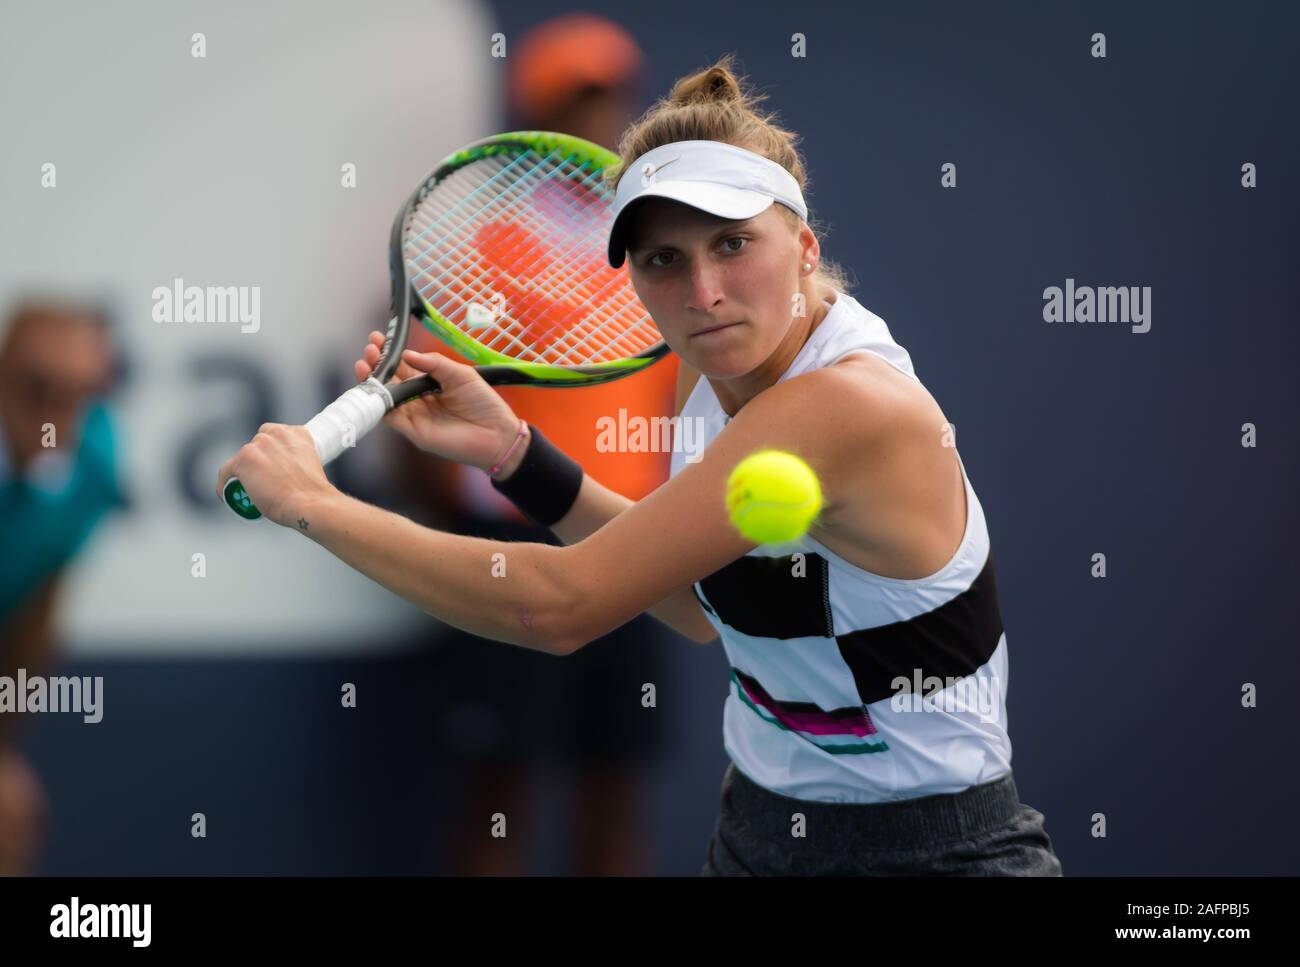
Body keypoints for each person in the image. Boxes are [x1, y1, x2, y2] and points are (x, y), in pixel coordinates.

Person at [218, 55, 1063, 876]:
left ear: (804, 246)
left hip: (934, 853)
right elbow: (699, 608)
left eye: (734, 244)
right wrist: (516, 455)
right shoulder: (711, 370)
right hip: (759, 831)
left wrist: (311, 504)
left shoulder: (844, 405)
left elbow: (560, 607)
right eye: (663, 258)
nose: (702, 291)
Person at [389, 14, 678, 876]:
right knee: (499, 800)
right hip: (511, 540)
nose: (603, 115)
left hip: (636, 536)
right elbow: (420, 398)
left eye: (614, 95)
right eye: (578, 98)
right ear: (536, 112)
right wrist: (462, 524)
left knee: (614, 797)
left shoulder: (663, 249)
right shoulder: (479, 242)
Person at [0, 300, 124, 874]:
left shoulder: (96, 460)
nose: (56, 414)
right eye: (38, 389)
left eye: (79, 393)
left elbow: (38, 601)